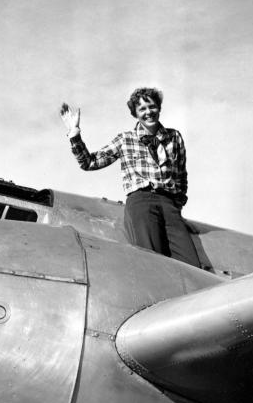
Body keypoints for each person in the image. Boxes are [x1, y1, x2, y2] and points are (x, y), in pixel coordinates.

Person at [60, 88, 203, 268]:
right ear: (135, 113)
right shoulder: (125, 139)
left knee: (191, 265)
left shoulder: (174, 137)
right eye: (142, 109)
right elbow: (89, 163)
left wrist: (177, 208)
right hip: (141, 203)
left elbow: (181, 176)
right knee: (153, 262)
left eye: (152, 106)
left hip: (169, 205)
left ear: (159, 108)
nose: (148, 112)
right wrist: (74, 134)